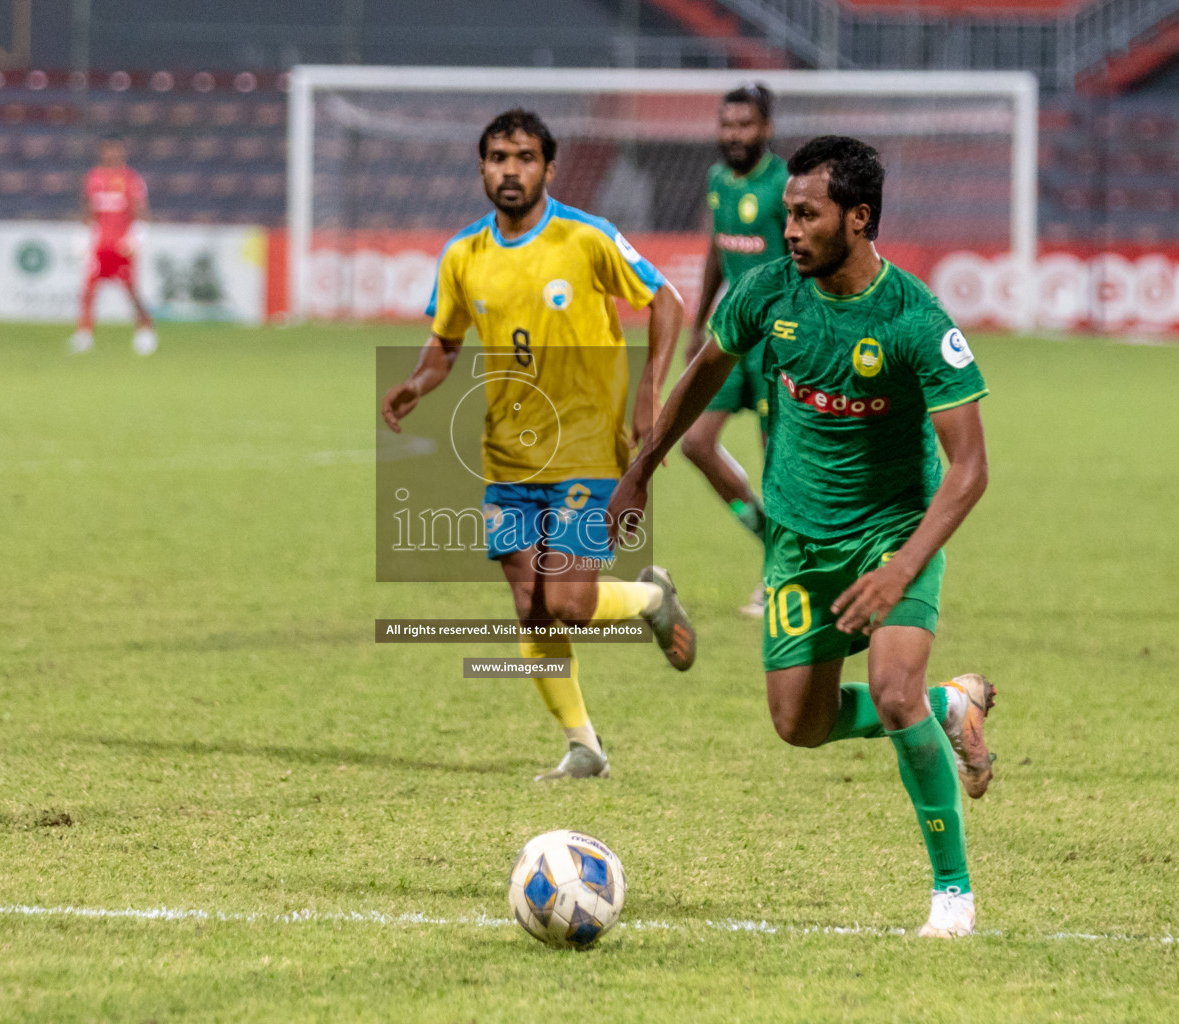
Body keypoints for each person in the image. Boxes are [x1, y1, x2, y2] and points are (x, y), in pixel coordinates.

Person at [608, 136, 997, 937]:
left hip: (891, 532)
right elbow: (708, 369)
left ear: (858, 219)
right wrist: (643, 466)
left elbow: (969, 470)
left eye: (806, 215)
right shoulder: (769, 293)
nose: (789, 229)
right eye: (788, 213)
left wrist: (904, 569)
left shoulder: (914, 320)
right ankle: (949, 705)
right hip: (797, 537)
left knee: (889, 694)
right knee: (799, 724)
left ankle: (951, 893)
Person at [381, 109, 694, 782]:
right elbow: (446, 340)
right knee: (530, 604)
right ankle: (584, 745)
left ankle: (649, 599)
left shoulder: (586, 238)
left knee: (569, 603)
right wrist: (417, 381)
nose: (510, 169)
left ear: (549, 169)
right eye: (498, 157)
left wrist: (651, 391)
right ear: (482, 168)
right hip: (507, 457)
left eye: (524, 157)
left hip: (587, 446)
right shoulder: (464, 254)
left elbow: (667, 302)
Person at [681, 85, 788, 617]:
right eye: (727, 125)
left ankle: (781, 576)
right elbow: (716, 250)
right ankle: (771, 539)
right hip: (730, 335)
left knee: (778, 465)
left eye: (745, 125)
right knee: (695, 443)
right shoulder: (717, 180)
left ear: (766, 128)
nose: (734, 135)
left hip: (778, 342)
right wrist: (697, 322)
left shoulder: (787, 185)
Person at [72, 135, 157, 356]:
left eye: (115, 150)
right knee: (88, 290)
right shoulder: (94, 178)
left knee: (131, 290)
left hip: (122, 245)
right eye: (107, 150)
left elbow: (140, 208)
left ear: (122, 151)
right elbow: (88, 209)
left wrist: (139, 235)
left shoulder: (130, 179)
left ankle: (145, 329)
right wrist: (83, 235)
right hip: (100, 245)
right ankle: (84, 334)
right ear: (102, 151)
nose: (111, 154)